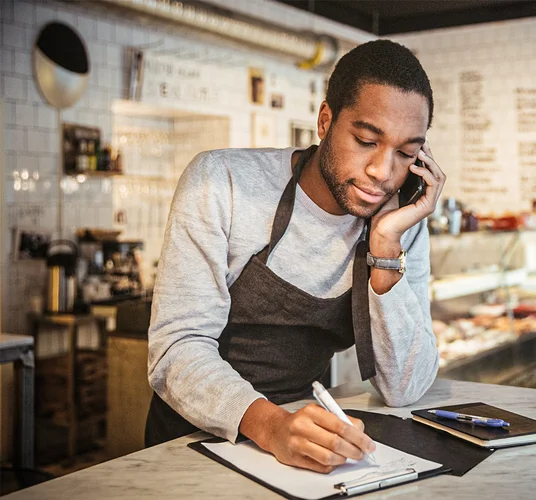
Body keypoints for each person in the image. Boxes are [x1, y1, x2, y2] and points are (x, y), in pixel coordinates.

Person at [145, 39, 446, 474]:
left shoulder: (400, 222)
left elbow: (403, 387)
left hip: (304, 445)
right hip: (192, 443)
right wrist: (272, 427)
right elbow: (176, 349)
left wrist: (384, 247)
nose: (383, 172)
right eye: (365, 140)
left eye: (405, 153)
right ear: (325, 121)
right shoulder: (222, 182)